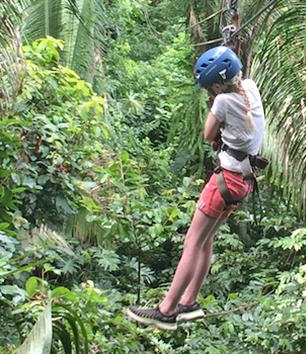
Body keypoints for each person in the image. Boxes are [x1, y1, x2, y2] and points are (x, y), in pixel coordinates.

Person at [125, 46, 265, 331]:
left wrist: (215, 101)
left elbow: (208, 133)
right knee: (205, 241)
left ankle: (166, 310)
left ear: (215, 86)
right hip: (242, 182)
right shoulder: (251, 88)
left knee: (192, 241)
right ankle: (189, 303)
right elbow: (237, 82)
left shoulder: (223, 102)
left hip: (224, 180)